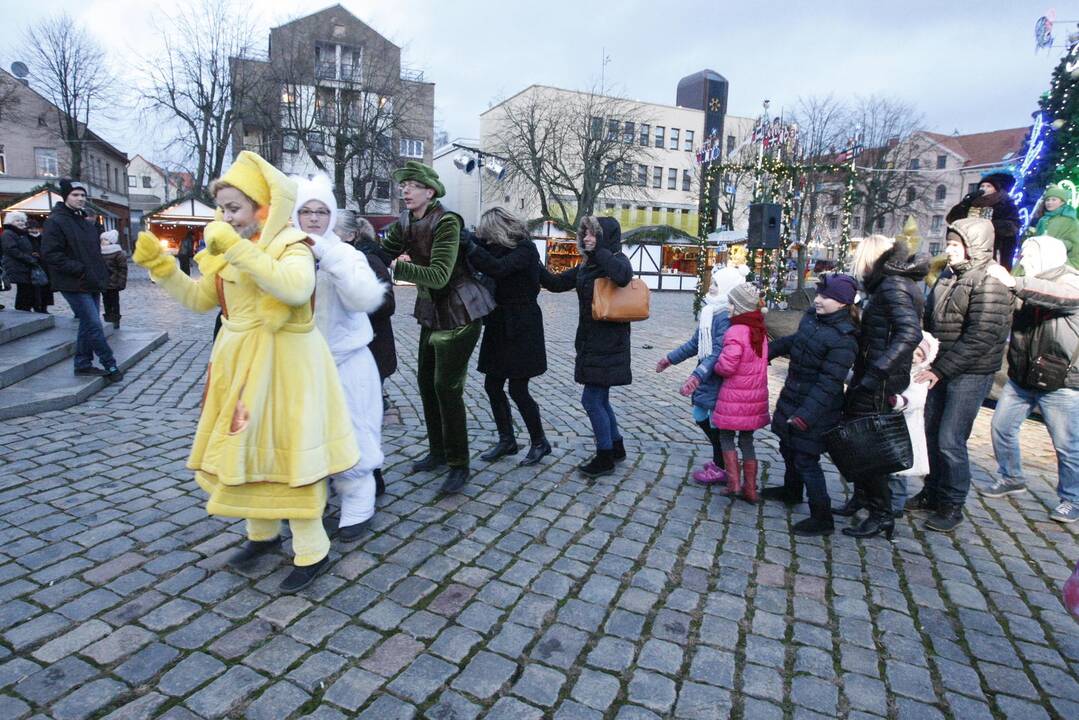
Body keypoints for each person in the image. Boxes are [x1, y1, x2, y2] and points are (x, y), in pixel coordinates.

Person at [132, 151, 359, 592]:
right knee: (247, 448)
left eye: (234, 208)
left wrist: (235, 247)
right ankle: (262, 534)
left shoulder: (292, 245)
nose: (225, 217)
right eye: (222, 208)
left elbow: (295, 289)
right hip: (238, 366)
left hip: (287, 370)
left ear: (264, 208)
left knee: (289, 453)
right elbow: (201, 300)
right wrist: (161, 269)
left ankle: (312, 548)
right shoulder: (225, 249)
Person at [380, 161, 495, 494]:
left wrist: (399, 268)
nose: (405, 190)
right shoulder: (405, 221)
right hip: (432, 312)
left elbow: (439, 276)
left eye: (412, 185)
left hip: (460, 312)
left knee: (447, 387)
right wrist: (357, 253)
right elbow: (381, 251)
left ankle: (459, 465)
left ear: (430, 191)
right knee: (426, 384)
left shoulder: (447, 222)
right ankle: (438, 452)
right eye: (403, 185)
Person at [292, 175, 387, 540]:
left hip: (346, 360)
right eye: (306, 211)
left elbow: (365, 299)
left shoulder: (346, 253)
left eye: (321, 211)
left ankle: (358, 502)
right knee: (304, 435)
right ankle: (306, 500)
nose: (313, 218)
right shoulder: (285, 251)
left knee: (353, 429)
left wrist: (329, 256)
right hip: (300, 364)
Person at [911, 217, 1013, 532]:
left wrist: (939, 370)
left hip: (970, 373)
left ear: (973, 247)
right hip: (941, 366)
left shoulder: (989, 281)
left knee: (950, 439)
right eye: (949, 243)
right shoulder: (947, 276)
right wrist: (921, 345)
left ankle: (952, 504)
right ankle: (932, 492)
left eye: (955, 245)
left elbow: (981, 337)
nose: (949, 250)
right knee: (930, 433)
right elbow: (930, 319)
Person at [981, 236, 1079, 523]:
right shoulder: (1029, 283)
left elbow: (1058, 296)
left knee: (1067, 445)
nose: (1023, 260)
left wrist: (1014, 283)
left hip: (1060, 382)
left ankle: (1072, 498)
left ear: (1047, 256)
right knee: (1002, 428)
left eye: (1029, 254)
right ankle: (1011, 477)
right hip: (1022, 376)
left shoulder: (1070, 281)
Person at [836, 235, 925, 540]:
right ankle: (863, 499)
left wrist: (876, 371)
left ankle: (881, 513)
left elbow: (910, 333)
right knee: (859, 444)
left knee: (869, 448)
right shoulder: (887, 285)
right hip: (872, 375)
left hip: (879, 380)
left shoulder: (893, 286)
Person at [540, 215, 634, 477]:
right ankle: (616, 447)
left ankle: (605, 457)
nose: (587, 238)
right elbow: (556, 284)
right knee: (600, 398)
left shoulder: (614, 261)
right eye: (585, 234)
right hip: (590, 342)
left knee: (591, 399)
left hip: (609, 344)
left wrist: (601, 251)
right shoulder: (588, 266)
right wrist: (530, 262)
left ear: (605, 237)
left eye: (594, 234)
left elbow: (623, 276)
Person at [767, 273, 859, 536]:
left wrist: (806, 415)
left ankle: (822, 517)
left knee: (806, 459)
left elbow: (829, 384)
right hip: (793, 395)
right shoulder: (812, 319)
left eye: (825, 297)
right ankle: (791, 491)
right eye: (818, 294)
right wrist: (767, 351)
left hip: (816, 409)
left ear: (842, 303)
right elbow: (796, 342)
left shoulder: (844, 338)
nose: (818, 300)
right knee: (787, 446)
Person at [461, 207, 552, 466]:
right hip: (499, 324)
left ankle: (539, 442)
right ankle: (507, 440)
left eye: (487, 233)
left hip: (522, 326)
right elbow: (483, 253)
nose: (484, 238)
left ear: (498, 231)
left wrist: (585, 272)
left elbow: (499, 269)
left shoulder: (524, 250)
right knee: (492, 385)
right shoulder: (496, 248)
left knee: (518, 388)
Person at [657, 264, 746, 484]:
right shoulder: (710, 311)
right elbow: (695, 343)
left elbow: (717, 352)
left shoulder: (725, 316)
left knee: (716, 423)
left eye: (716, 284)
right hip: (708, 375)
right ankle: (723, 462)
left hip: (717, 378)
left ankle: (722, 466)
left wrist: (697, 376)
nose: (712, 286)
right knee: (700, 414)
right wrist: (670, 358)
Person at [337, 211, 396, 497]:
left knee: (363, 418)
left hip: (370, 351)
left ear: (351, 235)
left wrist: (354, 300)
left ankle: (373, 479)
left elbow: (386, 304)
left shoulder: (369, 261)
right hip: (346, 352)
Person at [41, 179, 123, 382]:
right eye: (75, 195)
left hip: (91, 281)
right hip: (73, 282)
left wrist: (99, 272)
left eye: (82, 195)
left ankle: (83, 364)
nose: (80, 199)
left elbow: (94, 252)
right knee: (94, 323)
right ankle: (109, 363)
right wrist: (79, 269)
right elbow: (51, 254)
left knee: (88, 324)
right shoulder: (56, 221)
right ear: (66, 196)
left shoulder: (84, 221)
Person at [710, 282, 770, 502]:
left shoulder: (735, 331)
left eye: (731, 304)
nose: (728, 308)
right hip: (754, 398)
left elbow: (727, 365)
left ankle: (733, 484)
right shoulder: (760, 330)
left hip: (734, 397)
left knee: (726, 436)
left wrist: (716, 366)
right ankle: (751, 489)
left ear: (740, 307)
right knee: (747, 440)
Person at [890, 333, 938, 514]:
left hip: (905, 429)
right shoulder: (895, 367)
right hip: (889, 427)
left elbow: (917, 400)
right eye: (912, 352)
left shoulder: (920, 377)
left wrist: (899, 401)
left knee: (898, 472)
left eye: (919, 355)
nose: (913, 357)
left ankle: (895, 507)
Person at [946, 171, 1021, 270]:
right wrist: (964, 203)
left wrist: (988, 226)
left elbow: (1013, 226)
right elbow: (951, 219)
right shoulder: (971, 202)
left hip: (994, 248)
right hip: (968, 247)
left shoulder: (1005, 203)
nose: (984, 188)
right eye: (982, 186)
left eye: (989, 186)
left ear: (996, 189)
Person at [2, 211, 50, 313]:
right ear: (11, 222)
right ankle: (22, 311)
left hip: (24, 266)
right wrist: (29, 258)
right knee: (24, 291)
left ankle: (26, 309)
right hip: (17, 266)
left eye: (22, 220)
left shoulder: (21, 233)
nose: (20, 223)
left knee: (27, 290)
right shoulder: (9, 233)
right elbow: (11, 250)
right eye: (17, 220)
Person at [1032, 184, 1079, 268]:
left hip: (1059, 260)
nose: (1049, 202)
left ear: (1062, 202)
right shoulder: (1043, 220)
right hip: (1038, 258)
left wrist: (1053, 243)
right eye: (1048, 200)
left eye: (1054, 200)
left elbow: (1073, 243)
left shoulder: (1070, 220)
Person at [99, 229, 127, 328]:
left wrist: (121, 283)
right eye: (102, 239)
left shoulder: (118, 253)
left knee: (114, 302)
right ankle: (108, 319)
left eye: (105, 239)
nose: (102, 241)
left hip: (114, 283)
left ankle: (115, 320)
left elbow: (122, 270)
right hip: (103, 283)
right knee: (106, 302)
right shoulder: (99, 252)